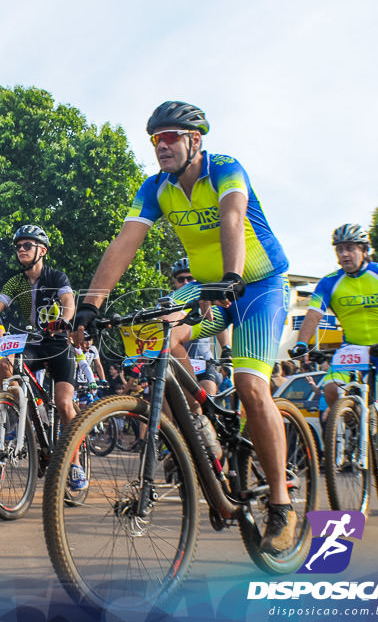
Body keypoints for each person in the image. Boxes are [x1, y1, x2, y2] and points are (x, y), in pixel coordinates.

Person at [73, 101, 295, 553]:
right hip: (206, 289)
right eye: (156, 139)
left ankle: (281, 504)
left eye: (171, 136)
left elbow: (232, 217)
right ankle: (198, 419)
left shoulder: (225, 169)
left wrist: (229, 280)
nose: (162, 146)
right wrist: (90, 305)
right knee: (158, 334)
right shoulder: (156, 188)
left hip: (256, 285)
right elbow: (125, 242)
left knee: (252, 386)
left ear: (196, 140)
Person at [289, 224, 378, 486]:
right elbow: (313, 315)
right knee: (330, 389)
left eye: (350, 248)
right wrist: (302, 344)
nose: (344, 254)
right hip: (353, 348)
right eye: (340, 249)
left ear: (364, 250)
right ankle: (352, 422)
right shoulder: (330, 282)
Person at [0, 225, 84, 490]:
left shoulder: (55, 276)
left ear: (41, 250)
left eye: (27, 246)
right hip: (33, 343)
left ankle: (75, 464)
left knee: (65, 404)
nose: (21, 250)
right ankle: (23, 412)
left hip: (57, 343)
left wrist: (65, 321)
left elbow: (68, 300)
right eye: (18, 246)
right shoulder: (15, 282)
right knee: (5, 363)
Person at [169, 257, 231, 396]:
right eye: (181, 279)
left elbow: (218, 322)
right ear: (175, 281)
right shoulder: (170, 301)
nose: (185, 283)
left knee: (208, 404)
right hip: (178, 365)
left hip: (203, 363)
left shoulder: (206, 297)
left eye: (189, 278)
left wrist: (226, 349)